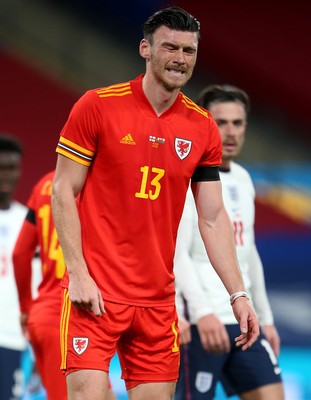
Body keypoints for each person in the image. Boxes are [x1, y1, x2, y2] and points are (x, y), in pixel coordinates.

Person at [51, 6, 259, 400]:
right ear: (145, 49)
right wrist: (78, 272)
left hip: (157, 303)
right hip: (94, 293)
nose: (180, 59)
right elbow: (63, 190)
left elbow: (212, 219)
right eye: (170, 47)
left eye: (189, 51)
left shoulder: (203, 128)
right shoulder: (97, 106)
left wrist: (239, 294)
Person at [174, 85, 284, 399]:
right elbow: (177, 254)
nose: (230, 132)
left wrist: (266, 318)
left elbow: (248, 254)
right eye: (221, 122)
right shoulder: (186, 178)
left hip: (243, 323)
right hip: (202, 323)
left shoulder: (244, 179)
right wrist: (200, 314)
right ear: (203, 123)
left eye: (237, 123)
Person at [13, 170, 118, 400]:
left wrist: (25, 309)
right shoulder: (100, 181)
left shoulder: (44, 184)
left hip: (48, 315)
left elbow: (20, 253)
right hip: (69, 316)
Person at [0, 133, 28, 399]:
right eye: (0, 168)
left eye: (11, 168)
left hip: (11, 336)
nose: (5, 175)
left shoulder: (27, 221)